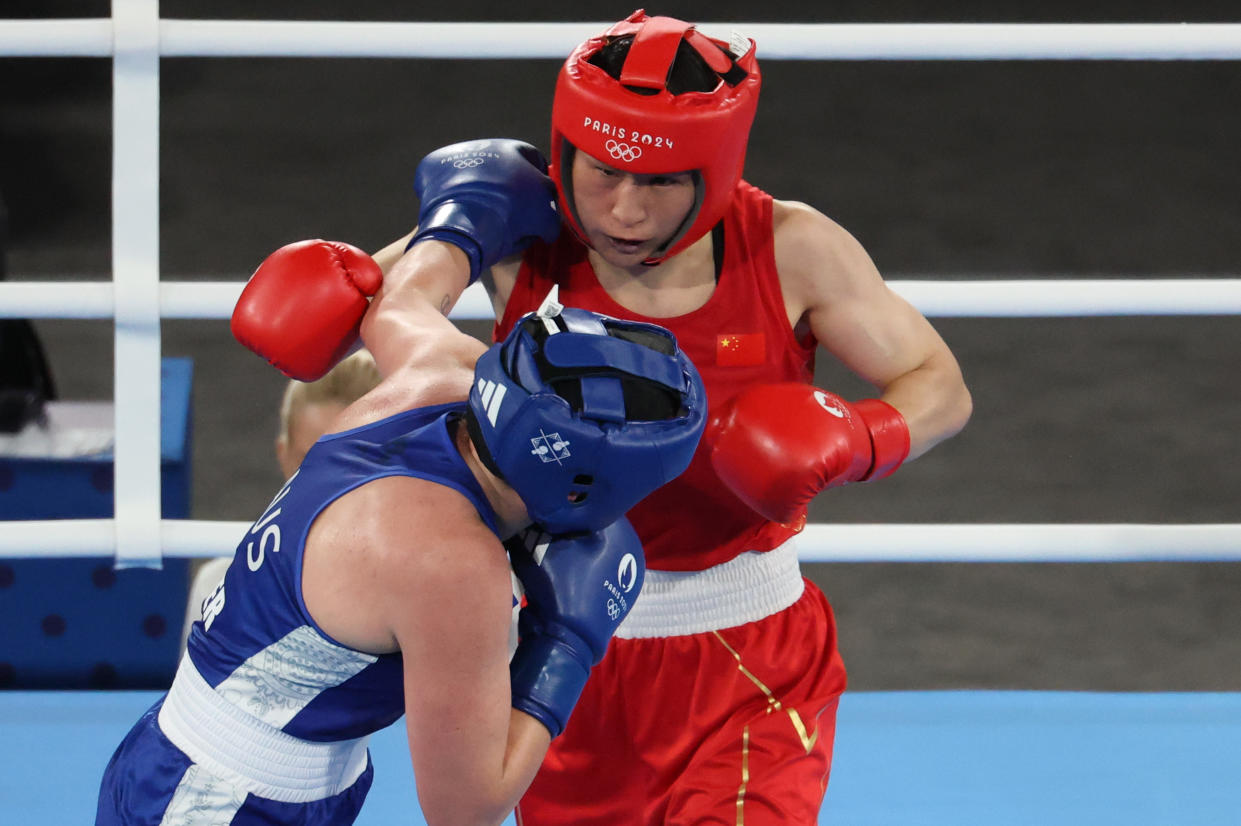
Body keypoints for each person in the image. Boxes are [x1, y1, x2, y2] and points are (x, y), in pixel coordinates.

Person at [238, 9, 973, 824]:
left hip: (744, 652)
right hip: (554, 644)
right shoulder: (521, 227)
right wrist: (332, 300)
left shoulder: (789, 247)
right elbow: (360, 309)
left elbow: (936, 383)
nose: (622, 211)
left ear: (716, 170)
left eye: (658, 182)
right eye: (600, 175)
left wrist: (860, 435)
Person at [96, 225, 708, 822]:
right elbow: (465, 809)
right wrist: (567, 643)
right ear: (584, 485)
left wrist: (458, 223)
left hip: (209, 759)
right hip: (221, 802)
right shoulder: (450, 563)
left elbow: (403, 294)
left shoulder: (443, 371)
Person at [180, 349, 383, 654]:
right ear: (283, 454)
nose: (330, 483)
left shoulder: (427, 590)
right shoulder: (221, 586)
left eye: (352, 459)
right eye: (310, 461)